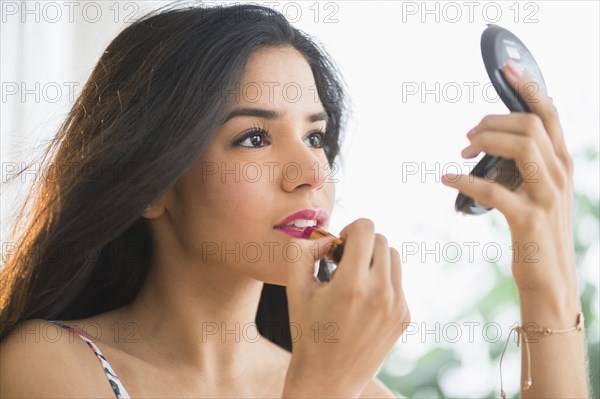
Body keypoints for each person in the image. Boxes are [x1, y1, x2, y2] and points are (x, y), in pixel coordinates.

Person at [0, 3, 590, 398]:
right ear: (153, 183)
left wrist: (548, 275)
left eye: (316, 135)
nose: (311, 172)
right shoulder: (50, 367)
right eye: (254, 137)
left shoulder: (353, 384)